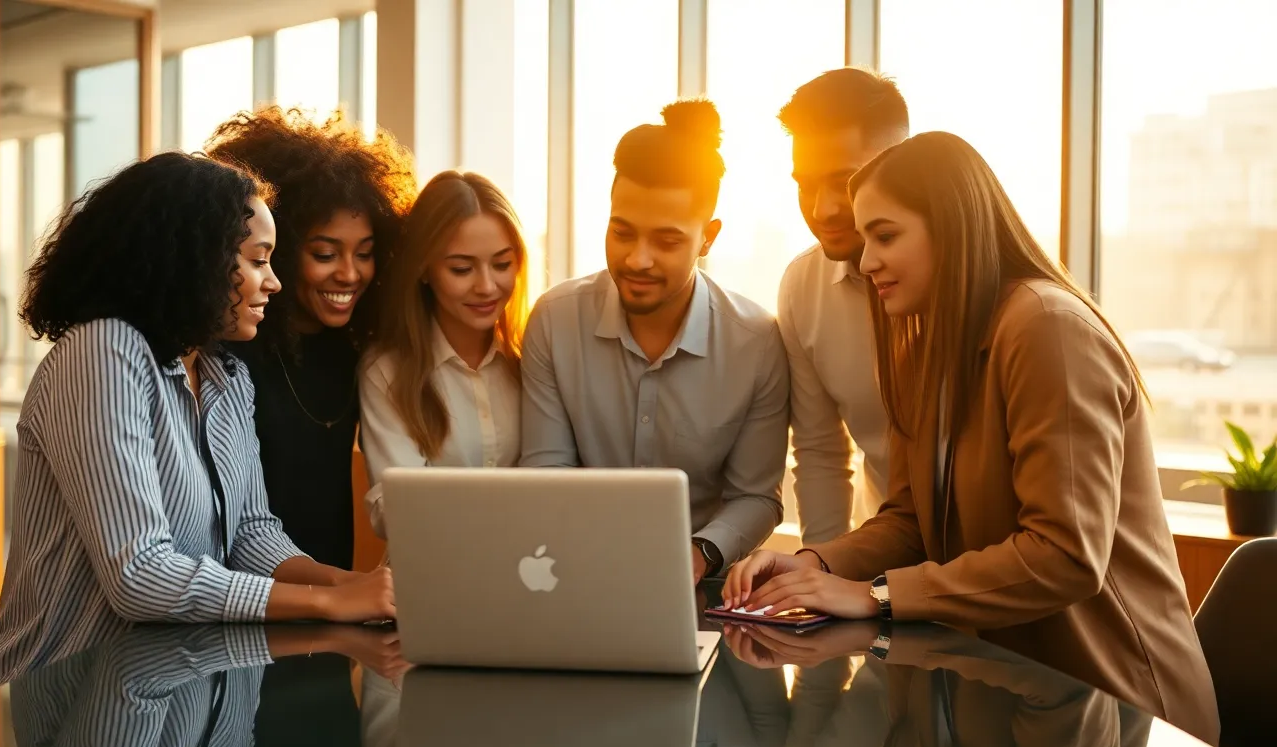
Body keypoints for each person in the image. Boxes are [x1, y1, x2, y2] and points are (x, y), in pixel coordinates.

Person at [722, 132, 1219, 744]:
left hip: (1116, 709)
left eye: (885, 235)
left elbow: (1064, 556)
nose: (865, 259)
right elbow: (911, 520)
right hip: (1006, 693)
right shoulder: (927, 342)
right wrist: (814, 565)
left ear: (952, 227)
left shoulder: (1047, 328)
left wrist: (871, 595)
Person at [0, 153, 396, 689]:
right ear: (196, 258)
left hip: (180, 679)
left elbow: (251, 533)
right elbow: (139, 574)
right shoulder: (103, 352)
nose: (274, 283)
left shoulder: (225, 375)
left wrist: (356, 587)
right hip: (67, 696)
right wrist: (331, 602)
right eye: (257, 260)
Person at [519, 99, 790, 583]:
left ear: (707, 238)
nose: (637, 260)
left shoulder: (756, 342)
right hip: (572, 575)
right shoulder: (554, 321)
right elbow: (546, 474)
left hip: (698, 591)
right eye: (622, 232)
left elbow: (756, 496)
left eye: (666, 242)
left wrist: (697, 554)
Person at [204, 107, 416, 570]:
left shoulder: (362, 350)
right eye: (325, 253)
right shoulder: (229, 353)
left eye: (365, 253)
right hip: (241, 600)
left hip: (329, 597)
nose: (349, 273)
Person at [777, 68, 909, 546]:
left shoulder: (977, 283)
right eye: (805, 184)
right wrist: (822, 572)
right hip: (891, 556)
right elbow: (820, 452)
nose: (823, 208)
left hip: (1002, 566)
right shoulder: (803, 287)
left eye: (845, 181)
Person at [358, 171, 530, 537]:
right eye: (461, 269)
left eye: (502, 264)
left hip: (529, 568)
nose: (486, 286)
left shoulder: (531, 360)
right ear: (424, 268)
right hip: (430, 573)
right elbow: (395, 510)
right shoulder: (388, 372)